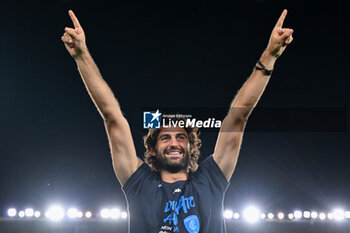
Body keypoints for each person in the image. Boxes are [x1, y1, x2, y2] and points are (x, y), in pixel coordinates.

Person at [61, 9, 293, 233]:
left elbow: (237, 118)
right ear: (151, 149)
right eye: (165, 138)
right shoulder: (139, 184)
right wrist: (82, 57)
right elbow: (112, 117)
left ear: (191, 147)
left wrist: (269, 56)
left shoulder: (211, 179)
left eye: (181, 137)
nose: (174, 143)